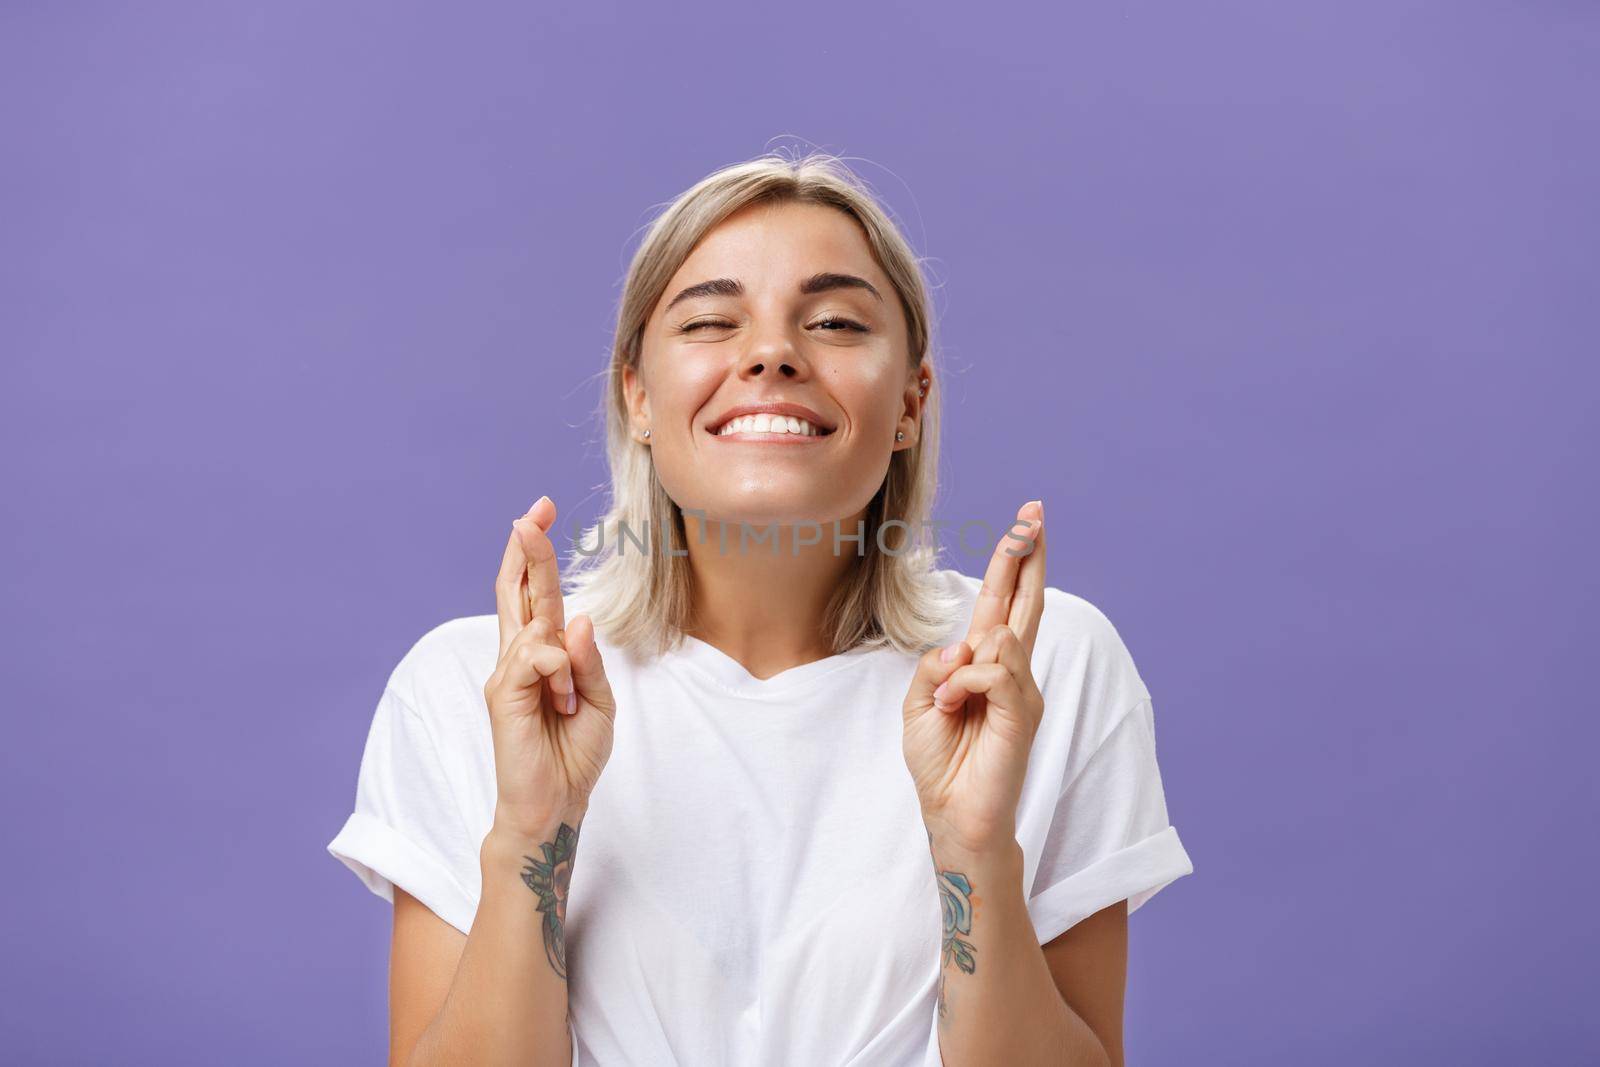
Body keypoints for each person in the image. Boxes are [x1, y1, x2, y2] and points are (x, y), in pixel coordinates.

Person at [327, 150, 1193, 1067]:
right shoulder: (476, 687)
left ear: (910, 400)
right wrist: (532, 834)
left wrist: (975, 848)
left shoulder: (1038, 666)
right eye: (709, 319)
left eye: (832, 321)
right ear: (638, 399)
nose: (773, 353)